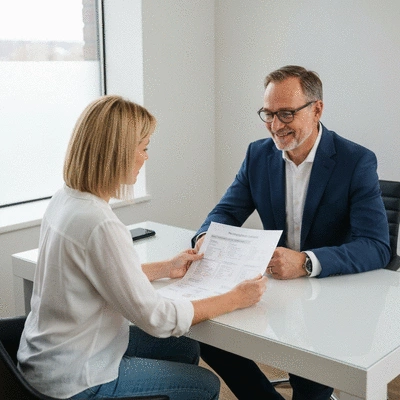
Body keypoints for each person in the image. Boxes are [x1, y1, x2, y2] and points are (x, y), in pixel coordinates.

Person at [17, 95, 267, 400]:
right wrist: (234, 298)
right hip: (79, 379)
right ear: (118, 154)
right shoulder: (101, 224)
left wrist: (163, 268)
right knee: (205, 386)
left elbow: (99, 274)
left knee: (185, 347)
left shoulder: (65, 199)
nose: (146, 157)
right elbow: (156, 318)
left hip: (46, 361)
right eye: (144, 148)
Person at [193, 65, 391, 400]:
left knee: (309, 386)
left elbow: (376, 246)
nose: (275, 125)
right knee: (208, 335)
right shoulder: (258, 154)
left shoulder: (355, 161)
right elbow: (227, 211)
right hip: (279, 292)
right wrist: (205, 238)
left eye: (286, 113)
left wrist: (305, 261)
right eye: (268, 114)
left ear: (317, 109)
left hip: (331, 296)